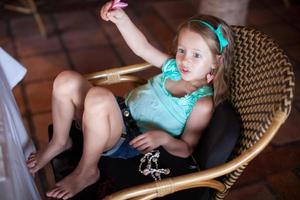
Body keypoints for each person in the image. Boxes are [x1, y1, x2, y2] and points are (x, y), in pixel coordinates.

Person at [26, 1, 235, 199]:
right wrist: (121, 19)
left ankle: (87, 170)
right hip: (116, 114)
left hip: (128, 140)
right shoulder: (173, 69)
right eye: (182, 50)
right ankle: (60, 141)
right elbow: (142, 48)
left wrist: (163, 138)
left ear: (216, 61)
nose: (184, 60)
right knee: (66, 80)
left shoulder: (201, 103)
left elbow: (187, 148)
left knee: (99, 97)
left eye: (196, 55)